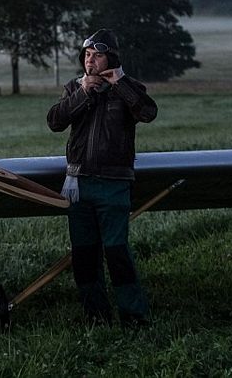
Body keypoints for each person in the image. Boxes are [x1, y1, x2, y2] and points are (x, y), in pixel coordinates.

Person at [46, 28, 157, 327]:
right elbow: (55, 121)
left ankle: (133, 315)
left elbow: (147, 113)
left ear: (112, 58)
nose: (90, 61)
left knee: (116, 250)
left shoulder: (129, 87)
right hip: (78, 183)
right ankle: (95, 315)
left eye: (97, 55)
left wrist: (119, 84)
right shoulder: (74, 88)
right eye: (87, 55)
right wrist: (83, 92)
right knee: (83, 252)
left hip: (114, 183)